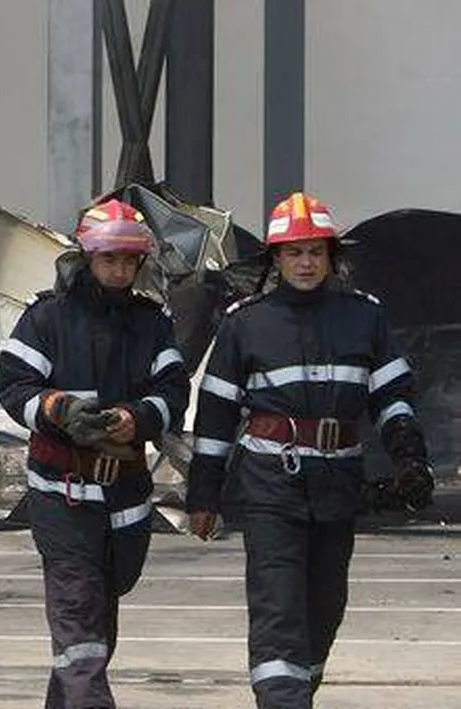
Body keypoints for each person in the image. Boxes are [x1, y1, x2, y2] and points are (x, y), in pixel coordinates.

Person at [186, 192, 435, 708]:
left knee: (324, 608)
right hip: (269, 488)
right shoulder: (245, 322)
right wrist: (203, 497)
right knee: (279, 609)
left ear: (331, 257)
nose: (305, 262)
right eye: (294, 252)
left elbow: (392, 398)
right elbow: (214, 420)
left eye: (315, 252)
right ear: (275, 259)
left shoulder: (363, 317)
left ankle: (297, 691)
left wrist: (411, 457)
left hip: (338, 486)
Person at [0, 199, 190, 709]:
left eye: (129, 261)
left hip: (125, 495)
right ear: (86, 258)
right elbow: (13, 386)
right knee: (78, 609)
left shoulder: (152, 323)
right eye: (110, 260)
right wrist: (57, 408)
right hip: (62, 494)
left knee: (99, 616)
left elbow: (174, 390)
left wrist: (138, 418)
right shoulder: (47, 319)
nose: (120, 271)